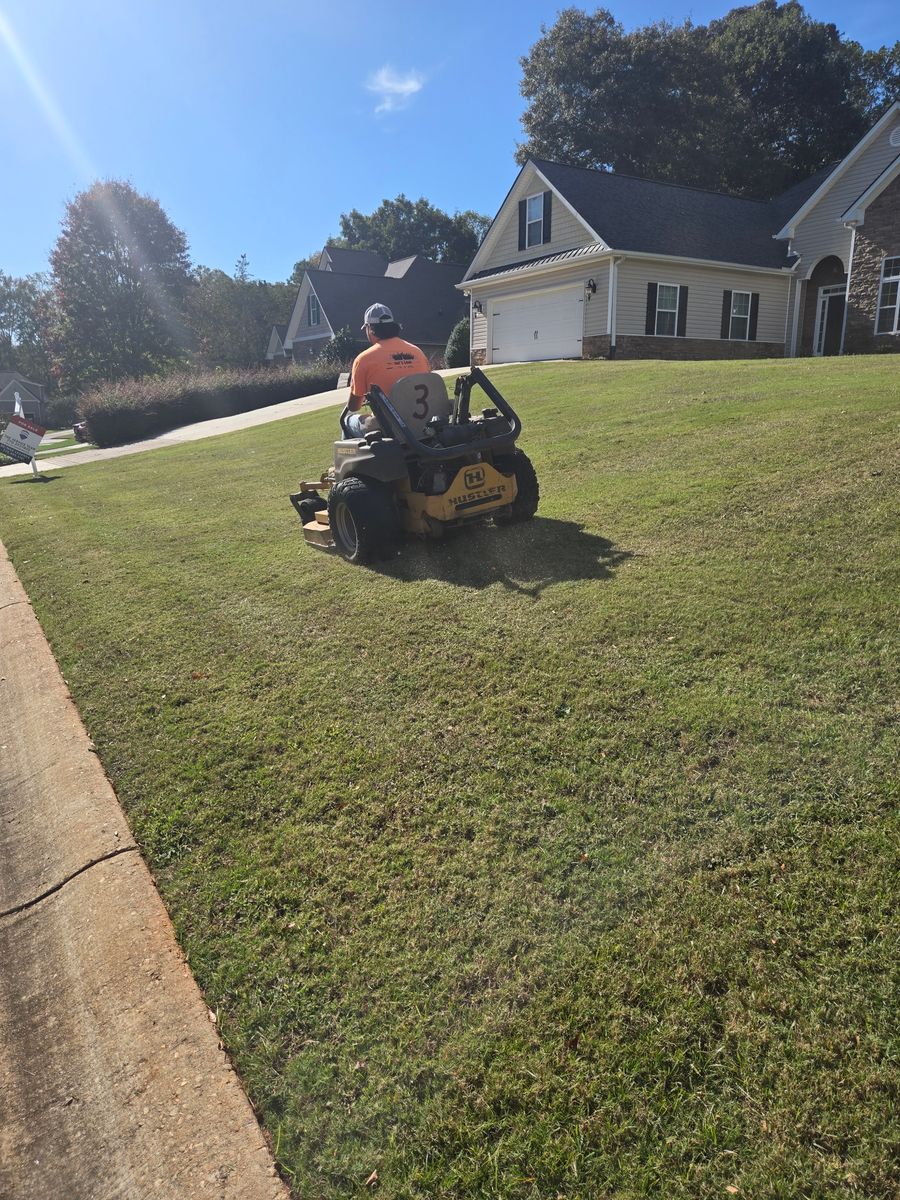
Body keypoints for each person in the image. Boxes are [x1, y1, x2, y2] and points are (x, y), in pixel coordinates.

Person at [345, 304, 430, 436]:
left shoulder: (363, 359)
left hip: (390, 427)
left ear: (370, 328)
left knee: (347, 420)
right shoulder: (417, 352)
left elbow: (354, 407)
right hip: (423, 420)